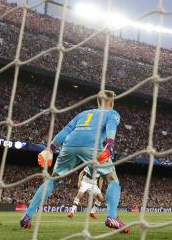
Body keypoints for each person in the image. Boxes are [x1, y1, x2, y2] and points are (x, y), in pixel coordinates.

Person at [20, 91, 130, 233]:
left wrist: (51, 148)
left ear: (97, 102)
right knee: (112, 179)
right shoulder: (112, 113)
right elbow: (111, 128)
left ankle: (27, 215)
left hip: (69, 144)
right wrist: (109, 146)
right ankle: (112, 217)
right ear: (112, 103)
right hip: (92, 145)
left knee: (52, 179)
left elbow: (67, 130)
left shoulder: (83, 114)